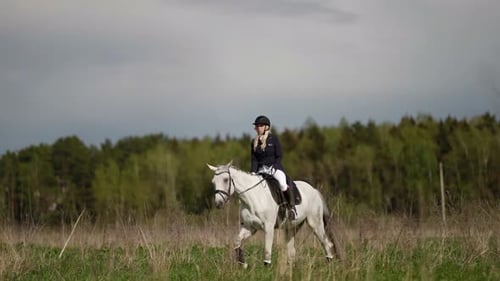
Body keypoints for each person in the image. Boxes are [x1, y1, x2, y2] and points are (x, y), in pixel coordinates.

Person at [250, 115, 297, 219]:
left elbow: (279, 155)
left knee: (282, 184)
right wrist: (253, 172)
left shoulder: (273, 139)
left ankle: (291, 208)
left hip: (274, 169)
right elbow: (254, 160)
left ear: (266, 127)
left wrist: (274, 167)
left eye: (260, 126)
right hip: (261, 171)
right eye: (257, 126)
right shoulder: (254, 142)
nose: (258, 128)